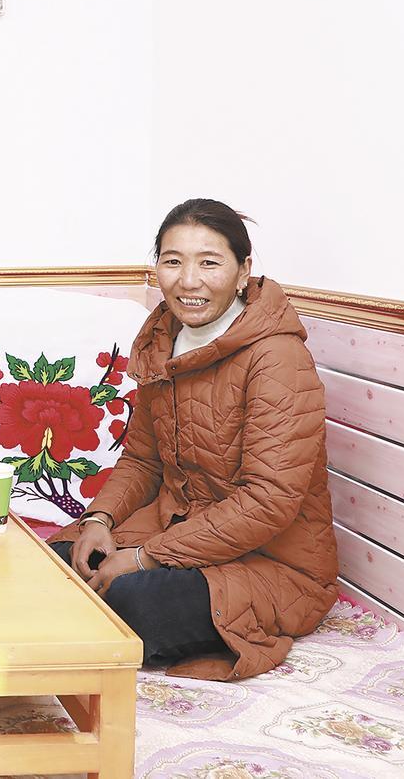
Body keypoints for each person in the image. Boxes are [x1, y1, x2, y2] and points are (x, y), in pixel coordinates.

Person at [51, 198, 338, 679]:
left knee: (129, 602)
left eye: (209, 263)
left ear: (243, 271)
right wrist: (99, 520)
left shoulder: (277, 358)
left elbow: (268, 500)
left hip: (272, 560)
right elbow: (143, 460)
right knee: (56, 566)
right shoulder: (163, 338)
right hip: (180, 529)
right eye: (173, 261)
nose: (188, 281)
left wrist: (144, 557)